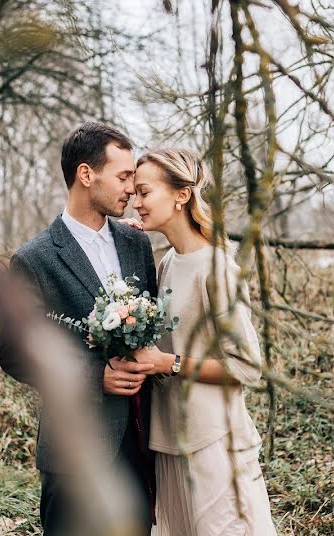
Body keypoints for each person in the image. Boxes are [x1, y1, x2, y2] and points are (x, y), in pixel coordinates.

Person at [0, 122, 157, 535]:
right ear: (86, 175)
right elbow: (14, 354)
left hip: (142, 443)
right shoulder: (34, 260)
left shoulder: (137, 244)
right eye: (123, 177)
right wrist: (95, 376)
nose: (131, 189)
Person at [131, 148, 276, 536]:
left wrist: (168, 363)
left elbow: (246, 365)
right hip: (169, 437)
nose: (137, 202)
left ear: (181, 195)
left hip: (213, 440)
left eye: (144, 192)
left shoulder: (217, 268)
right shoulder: (166, 263)